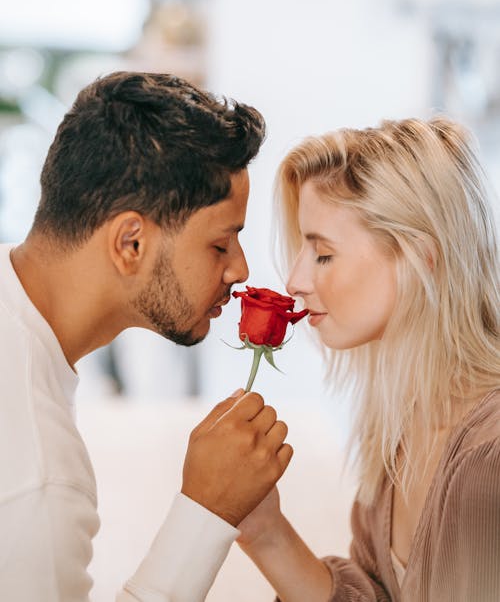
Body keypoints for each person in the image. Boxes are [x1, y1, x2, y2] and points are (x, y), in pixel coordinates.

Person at [0, 71, 293, 601]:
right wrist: (207, 511)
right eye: (221, 244)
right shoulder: (38, 479)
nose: (241, 270)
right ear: (130, 243)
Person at [237, 117, 500, 602]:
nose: (294, 280)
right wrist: (263, 528)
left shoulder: (489, 462)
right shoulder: (402, 430)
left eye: (322, 254)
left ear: (421, 258)